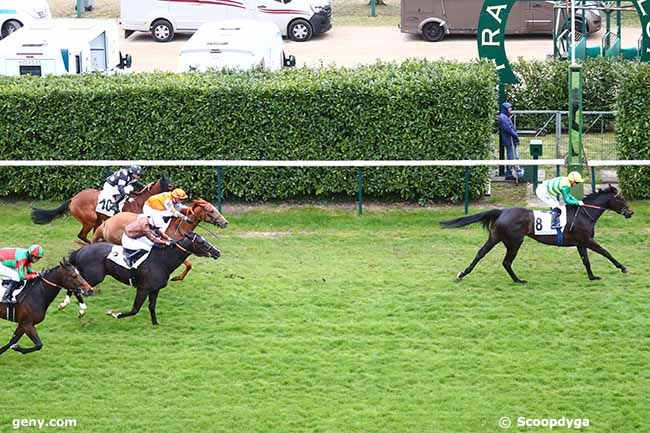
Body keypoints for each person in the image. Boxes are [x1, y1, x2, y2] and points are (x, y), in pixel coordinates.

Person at [498, 102, 524, 180]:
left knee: (511, 156)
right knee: (513, 157)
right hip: (509, 140)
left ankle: (509, 173)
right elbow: (508, 128)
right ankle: (518, 173)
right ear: (505, 109)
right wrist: (515, 135)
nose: (511, 109)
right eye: (509, 108)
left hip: (510, 139)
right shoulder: (503, 117)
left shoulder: (505, 116)